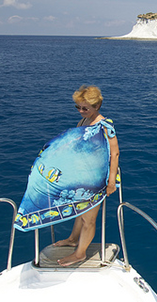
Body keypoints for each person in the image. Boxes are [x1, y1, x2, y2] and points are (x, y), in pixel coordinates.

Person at [54, 85, 120, 267]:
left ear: (97, 106)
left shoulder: (105, 126)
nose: (81, 111)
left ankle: (80, 254)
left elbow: (114, 154)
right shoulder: (83, 122)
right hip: (82, 175)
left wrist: (111, 182)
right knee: (79, 211)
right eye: (78, 107)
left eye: (85, 108)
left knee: (88, 219)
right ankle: (73, 239)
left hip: (96, 178)